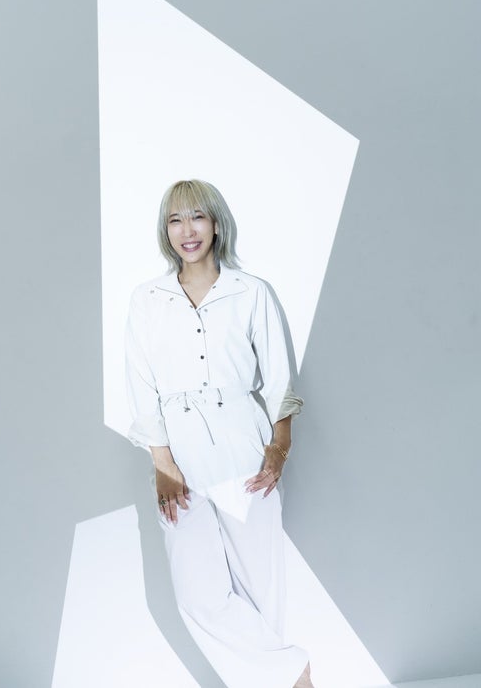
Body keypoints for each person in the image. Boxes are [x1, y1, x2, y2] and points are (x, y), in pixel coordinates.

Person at [124, 179, 315, 688]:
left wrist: (279, 449)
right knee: (198, 596)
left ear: (215, 223)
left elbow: (279, 380)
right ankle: (294, 672)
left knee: (260, 594)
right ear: (165, 230)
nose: (187, 231)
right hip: (180, 460)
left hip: (244, 451)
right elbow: (141, 387)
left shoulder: (251, 292)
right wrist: (163, 466)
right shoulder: (147, 299)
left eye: (197, 217)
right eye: (175, 220)